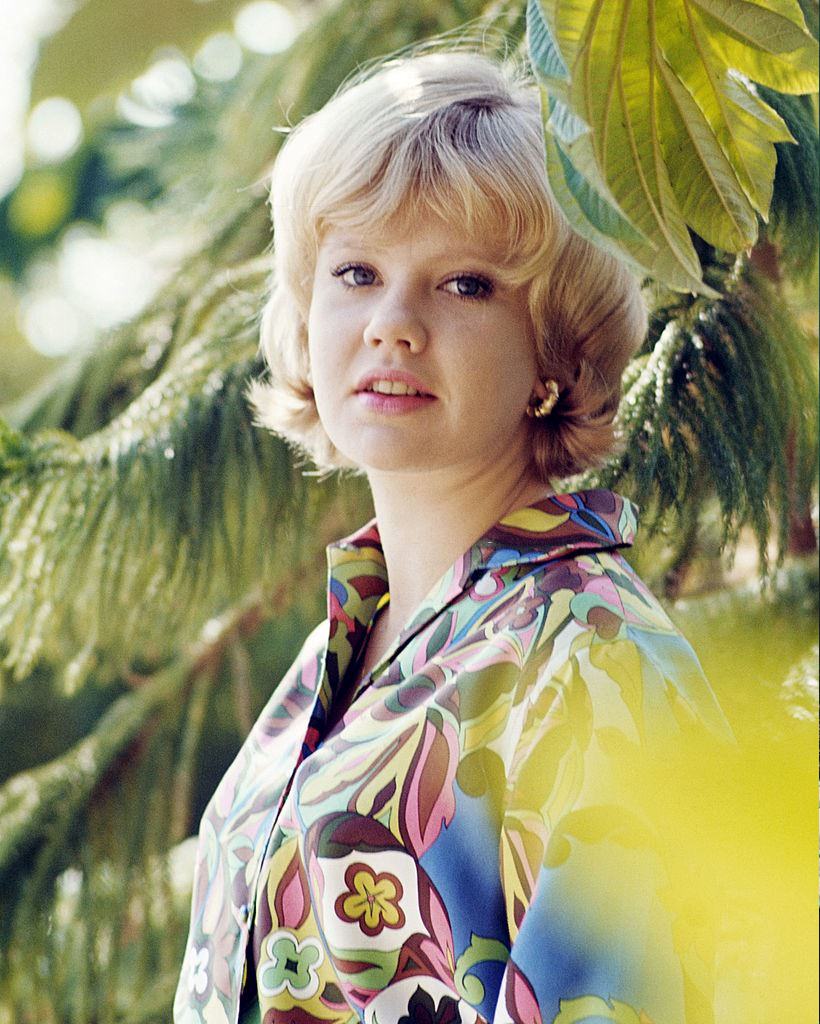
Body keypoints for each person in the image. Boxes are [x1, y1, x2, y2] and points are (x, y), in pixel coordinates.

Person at [174, 46, 731, 1024]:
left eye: (464, 284)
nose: (391, 322)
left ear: (553, 351)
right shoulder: (348, 644)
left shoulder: (591, 668)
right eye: (356, 272)